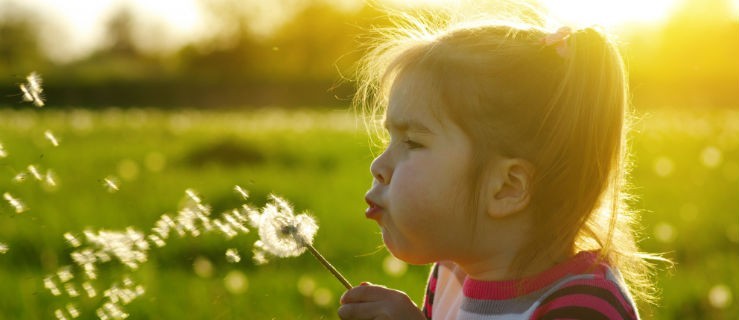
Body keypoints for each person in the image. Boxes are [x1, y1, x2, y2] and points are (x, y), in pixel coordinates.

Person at [337, 6, 663, 320]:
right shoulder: (451, 279)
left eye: (412, 142)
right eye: (389, 139)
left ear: (507, 187)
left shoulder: (583, 307)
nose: (378, 166)